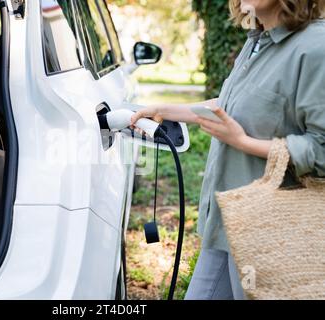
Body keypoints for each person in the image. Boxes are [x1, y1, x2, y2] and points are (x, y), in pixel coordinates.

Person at [131, 0, 325, 300]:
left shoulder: (316, 48)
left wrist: (243, 142)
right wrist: (165, 109)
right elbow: (228, 105)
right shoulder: (257, 41)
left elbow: (321, 149)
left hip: (272, 235)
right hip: (226, 224)